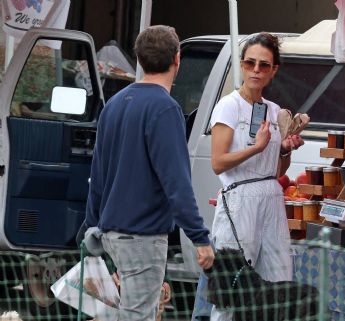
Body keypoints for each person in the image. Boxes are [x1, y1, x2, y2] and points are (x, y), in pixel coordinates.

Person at [84, 25, 214, 321]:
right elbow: (176, 183)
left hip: (111, 234)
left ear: (139, 59)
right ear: (177, 60)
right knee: (137, 317)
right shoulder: (165, 109)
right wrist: (200, 238)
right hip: (142, 236)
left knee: (120, 315)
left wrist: (91, 225)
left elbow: (98, 176)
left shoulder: (114, 105)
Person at [209, 32, 304, 321]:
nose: (256, 70)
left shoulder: (274, 111)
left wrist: (285, 150)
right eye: (250, 63)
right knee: (231, 287)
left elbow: (276, 171)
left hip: (271, 196)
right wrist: (256, 148)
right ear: (241, 65)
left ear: (274, 70)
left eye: (264, 65)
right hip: (239, 198)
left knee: (277, 282)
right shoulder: (229, 105)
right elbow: (217, 163)